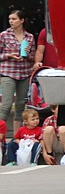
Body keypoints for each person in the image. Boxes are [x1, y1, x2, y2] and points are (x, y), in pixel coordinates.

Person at [0, 9, 37, 145]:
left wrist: (28, 54)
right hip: (8, 72)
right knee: (7, 104)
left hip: (24, 72)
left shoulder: (30, 37)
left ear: (22, 20)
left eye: (14, 19)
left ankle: (17, 138)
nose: (11, 21)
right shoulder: (4, 35)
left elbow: (32, 58)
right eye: (10, 19)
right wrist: (8, 56)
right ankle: (1, 136)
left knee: (21, 105)